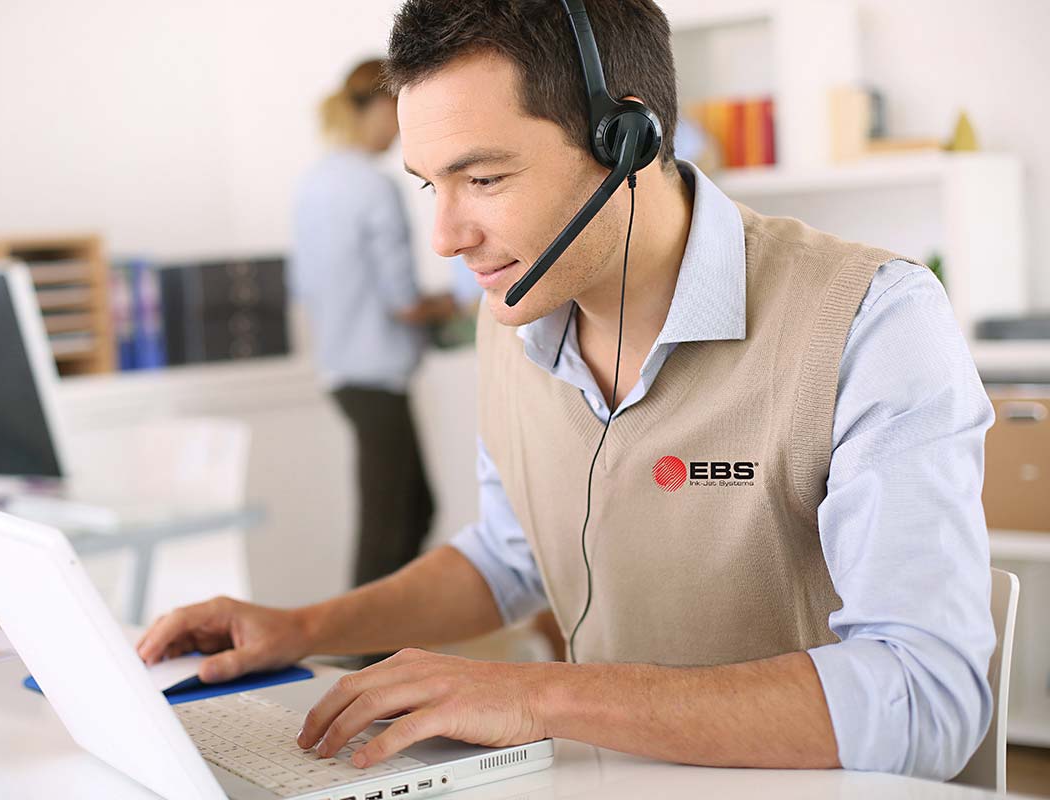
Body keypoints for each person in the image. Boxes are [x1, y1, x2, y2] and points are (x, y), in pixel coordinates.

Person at [140, 1, 995, 781]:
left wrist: (535, 696)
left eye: (483, 179)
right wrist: (305, 628)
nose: (444, 236)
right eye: (429, 185)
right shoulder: (514, 314)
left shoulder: (870, 320)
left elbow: (927, 699)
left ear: (626, 142)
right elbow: (511, 557)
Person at [288, 59, 456, 592]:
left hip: (342, 370)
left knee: (409, 510)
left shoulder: (314, 183)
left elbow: (308, 284)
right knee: (391, 525)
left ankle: (379, 648)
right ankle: (368, 659)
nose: (406, 128)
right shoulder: (373, 188)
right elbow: (402, 299)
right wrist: (455, 302)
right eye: (403, 111)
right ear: (384, 106)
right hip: (378, 374)